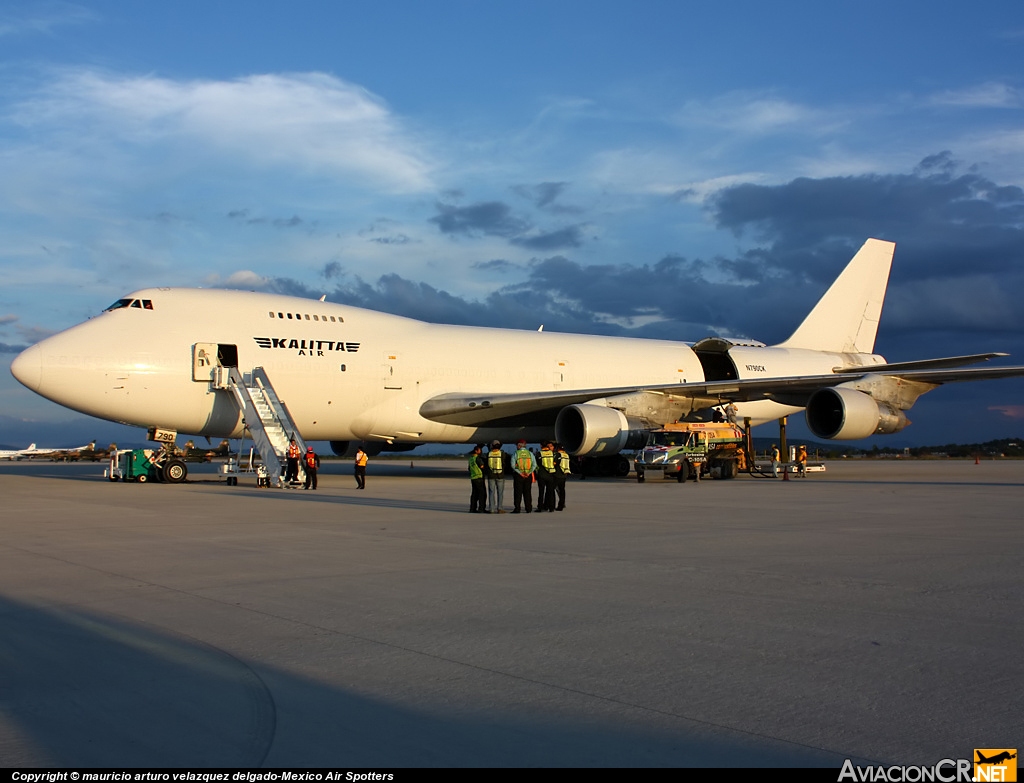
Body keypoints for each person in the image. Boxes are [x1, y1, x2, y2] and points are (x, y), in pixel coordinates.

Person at [512, 439, 535, 513]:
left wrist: (520, 473)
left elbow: (512, 465)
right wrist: (529, 472)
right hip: (528, 475)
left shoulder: (516, 453)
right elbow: (534, 465)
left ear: (519, 445)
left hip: (519, 476)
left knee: (518, 493)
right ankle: (528, 508)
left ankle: (517, 508)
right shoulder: (530, 453)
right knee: (527, 493)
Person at [486, 440, 509, 513]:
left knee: (491, 492)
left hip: (491, 475)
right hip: (500, 475)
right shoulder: (502, 454)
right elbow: (505, 463)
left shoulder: (488, 454)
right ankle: (500, 508)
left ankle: (491, 509)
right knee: (500, 492)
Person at [537, 441, 557, 512]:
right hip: (550, 474)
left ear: (541, 445)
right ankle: (551, 508)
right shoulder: (552, 453)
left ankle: (540, 507)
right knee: (550, 492)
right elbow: (554, 462)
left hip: (542, 474)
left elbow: (538, 463)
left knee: (541, 492)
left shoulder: (539, 453)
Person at [468, 445, 487, 512]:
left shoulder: (471, 459)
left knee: (474, 494)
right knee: (482, 494)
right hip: (479, 477)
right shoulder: (478, 458)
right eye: (479, 450)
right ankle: (481, 508)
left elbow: (469, 469)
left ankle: (472, 508)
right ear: (476, 451)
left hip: (473, 478)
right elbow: (482, 466)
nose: (480, 451)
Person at [554, 443, 570, 511]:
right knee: (562, 490)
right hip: (564, 474)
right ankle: (562, 504)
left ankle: (552, 505)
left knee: (553, 489)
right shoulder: (566, 455)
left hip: (557, 474)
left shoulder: (558, 455)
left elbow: (554, 464)